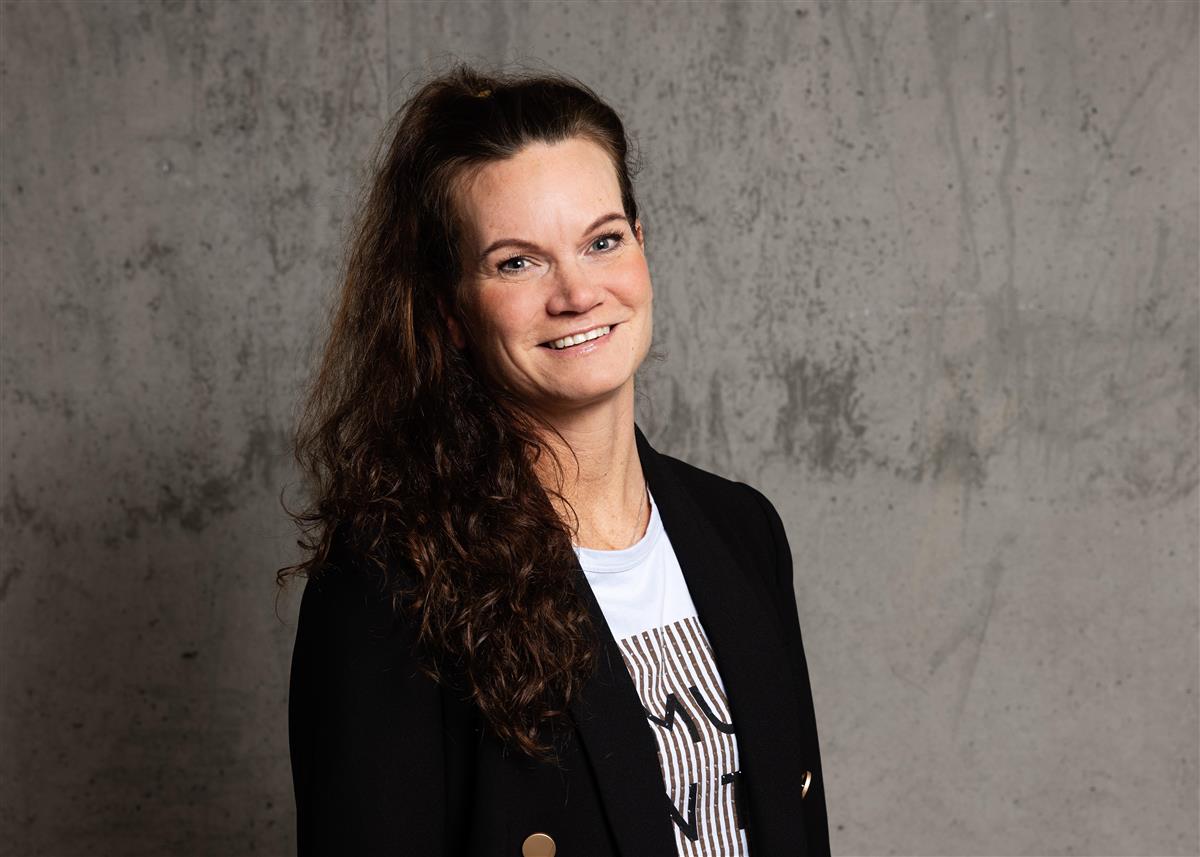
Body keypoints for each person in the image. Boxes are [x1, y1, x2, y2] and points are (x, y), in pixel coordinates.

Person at [281, 63, 830, 857]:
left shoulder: (742, 528)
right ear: (450, 309)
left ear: (641, 246)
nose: (577, 292)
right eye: (517, 261)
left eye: (602, 241)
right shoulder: (393, 584)